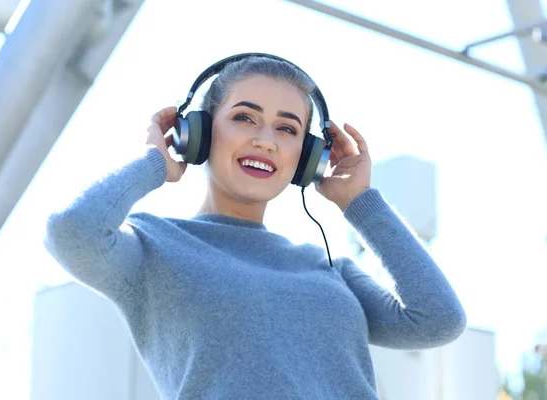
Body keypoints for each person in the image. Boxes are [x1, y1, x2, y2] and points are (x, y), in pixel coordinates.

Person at [44, 54, 467, 400]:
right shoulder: (155, 248)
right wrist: (154, 163)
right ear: (201, 135)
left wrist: (361, 204)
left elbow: (439, 319)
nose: (266, 140)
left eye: (287, 128)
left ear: (307, 158)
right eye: (245, 118)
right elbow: (71, 233)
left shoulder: (329, 269)